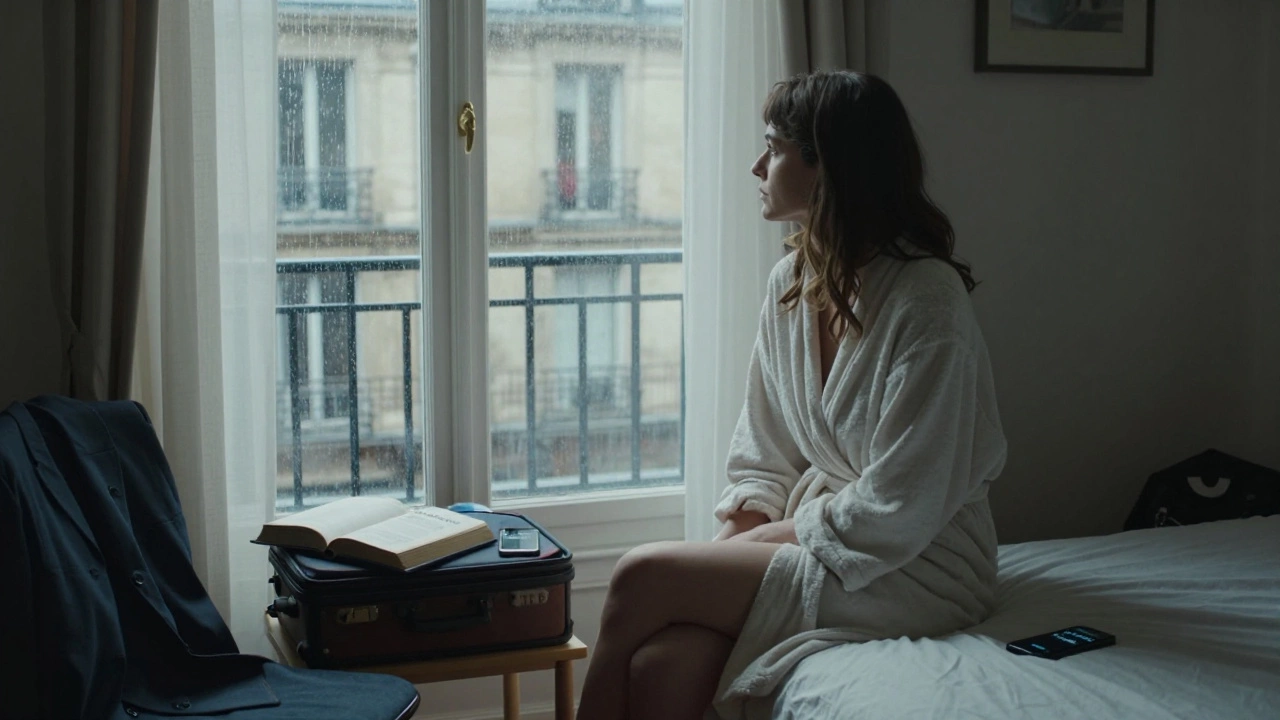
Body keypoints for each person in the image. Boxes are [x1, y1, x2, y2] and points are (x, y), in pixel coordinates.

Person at [575, 70, 1008, 720]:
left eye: (774, 147)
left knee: (640, 575)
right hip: (828, 542)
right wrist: (717, 557)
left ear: (826, 167)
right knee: (661, 665)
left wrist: (719, 560)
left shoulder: (927, 305)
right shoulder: (792, 281)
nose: (756, 164)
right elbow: (763, 458)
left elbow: (902, 506)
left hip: (919, 564)